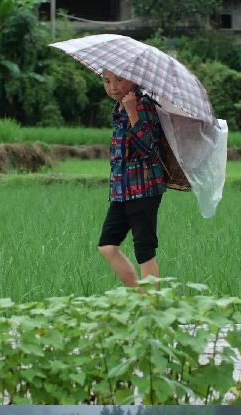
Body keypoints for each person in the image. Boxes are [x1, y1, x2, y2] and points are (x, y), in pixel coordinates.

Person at [96, 69, 167, 286]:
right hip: (121, 190)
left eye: (119, 79)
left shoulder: (143, 104)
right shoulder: (117, 109)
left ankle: (152, 309)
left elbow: (148, 149)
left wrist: (132, 111)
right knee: (107, 246)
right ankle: (140, 298)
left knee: (145, 251)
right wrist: (125, 109)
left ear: (134, 78)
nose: (113, 86)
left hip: (144, 188)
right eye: (107, 81)